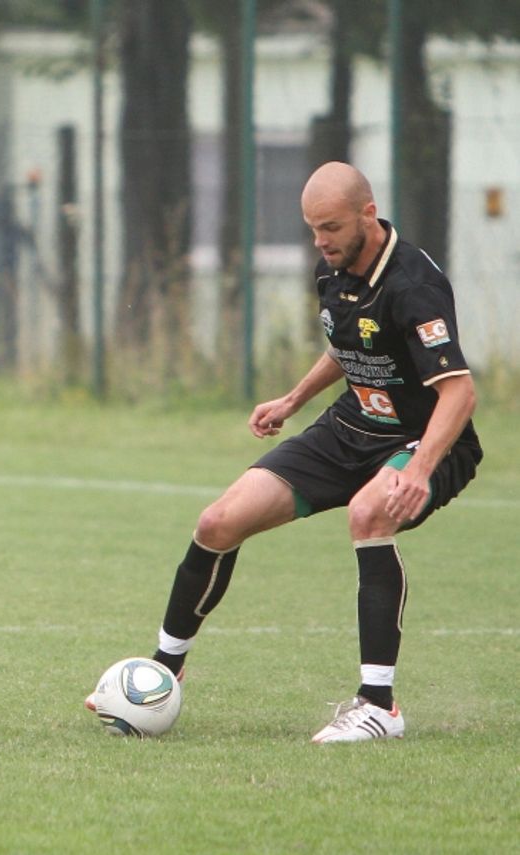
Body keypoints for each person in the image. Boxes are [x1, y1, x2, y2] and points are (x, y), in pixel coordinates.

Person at [87, 161, 481, 743]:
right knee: (218, 521)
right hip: (353, 427)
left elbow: (460, 390)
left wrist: (420, 469)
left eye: (331, 227)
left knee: (368, 514)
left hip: (426, 439)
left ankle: (379, 707)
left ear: (368, 215)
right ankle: (164, 669)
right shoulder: (337, 269)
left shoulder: (412, 285)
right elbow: (350, 345)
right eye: (312, 229)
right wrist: (294, 397)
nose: (320, 242)